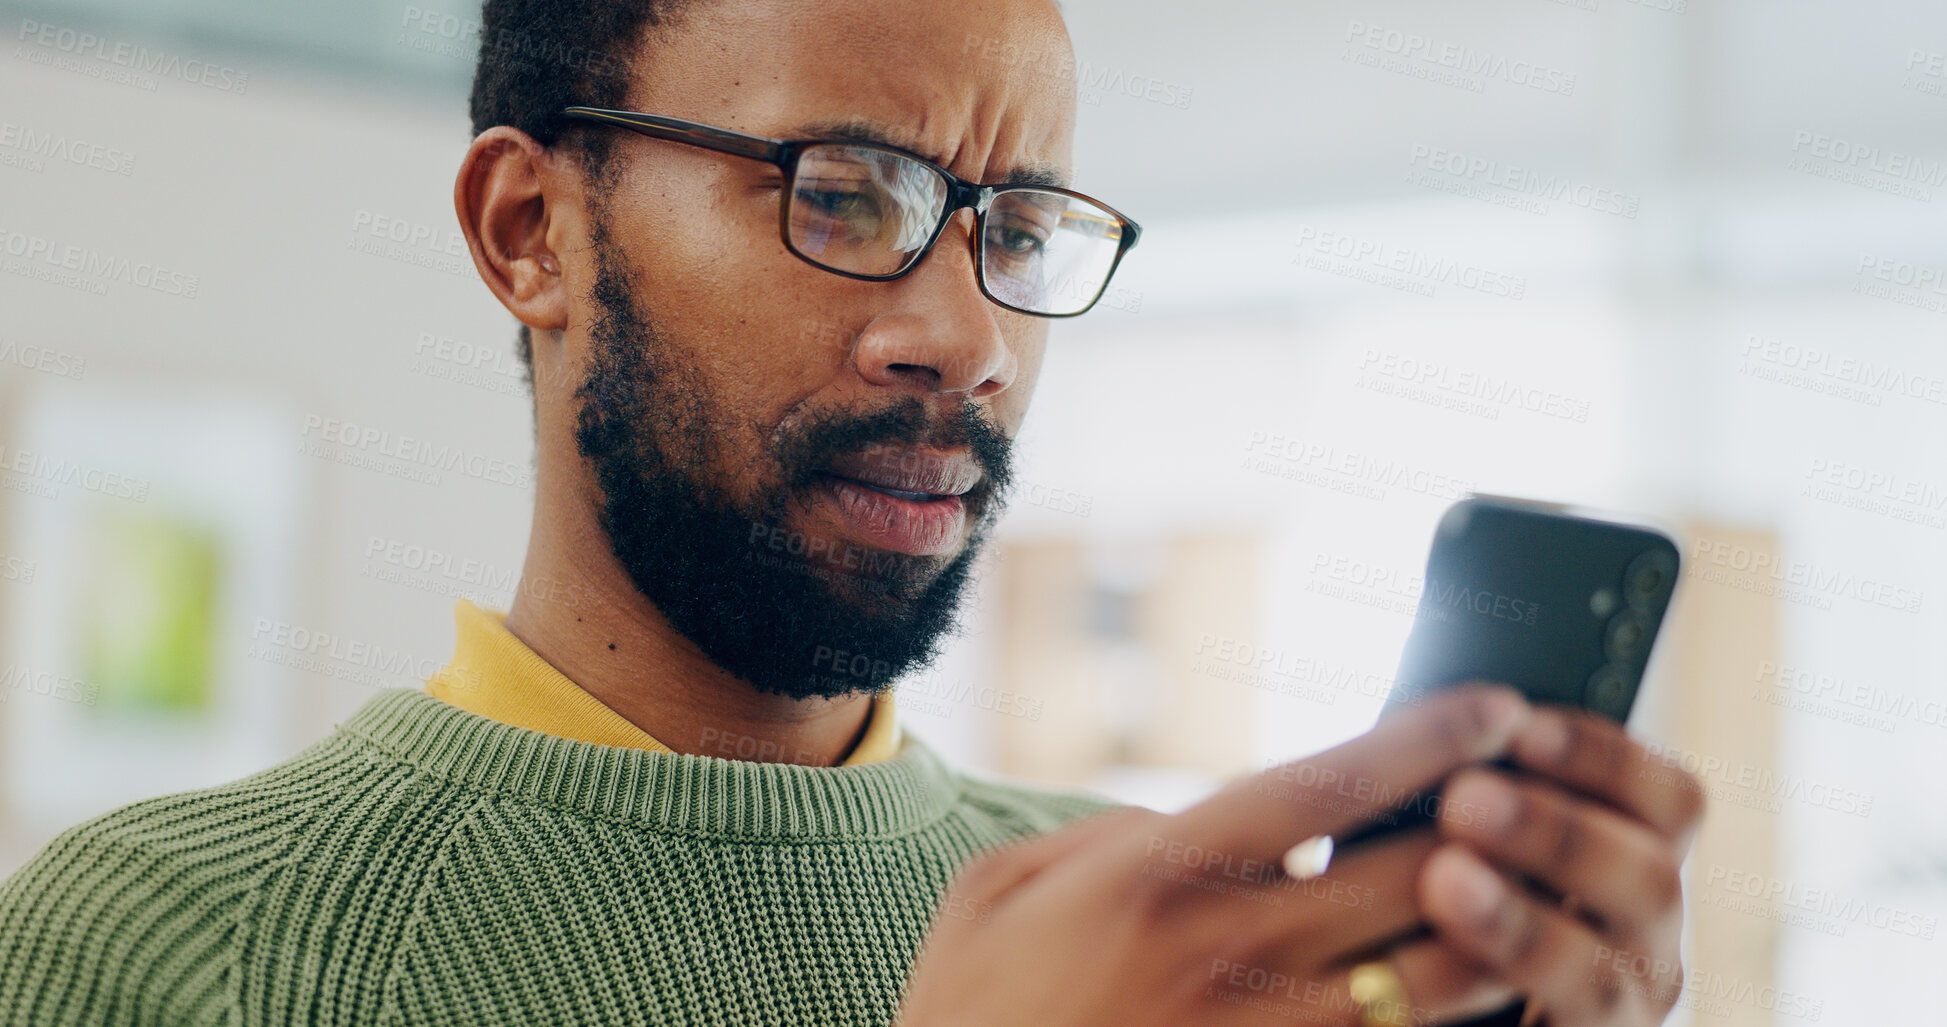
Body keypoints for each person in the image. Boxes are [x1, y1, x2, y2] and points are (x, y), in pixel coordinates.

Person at [0, 0, 1704, 1023]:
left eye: (1016, 227)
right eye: (845, 191)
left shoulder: (1128, 921)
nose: (963, 336)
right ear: (533, 231)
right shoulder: (156, 952)